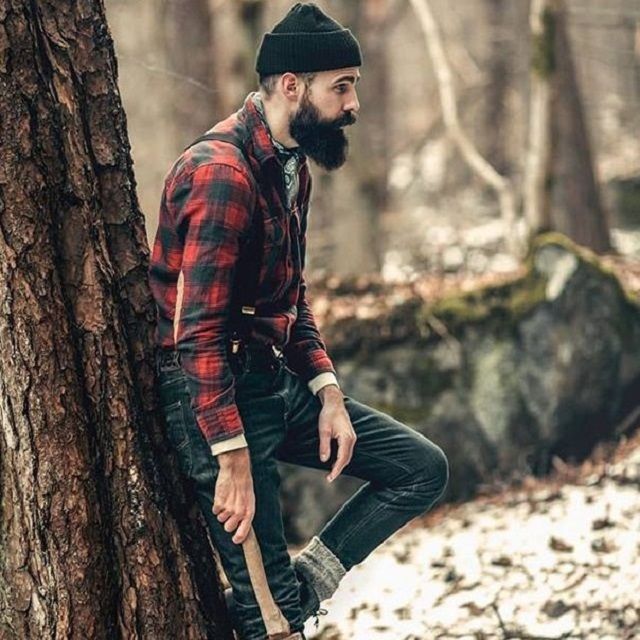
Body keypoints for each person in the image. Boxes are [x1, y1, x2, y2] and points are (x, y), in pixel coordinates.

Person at [149, 3, 449, 639]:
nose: (353, 104)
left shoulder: (292, 167)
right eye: (342, 87)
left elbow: (292, 294)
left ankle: (299, 588)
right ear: (292, 86)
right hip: (214, 400)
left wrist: (328, 391)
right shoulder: (222, 174)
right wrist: (229, 456)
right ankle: (277, 607)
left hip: (270, 381)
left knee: (420, 469)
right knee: (273, 622)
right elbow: (194, 334)